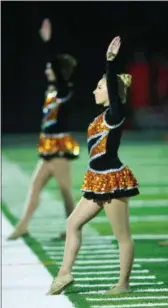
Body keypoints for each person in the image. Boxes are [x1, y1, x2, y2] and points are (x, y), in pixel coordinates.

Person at [47, 36, 139, 296]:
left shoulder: (115, 114)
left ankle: (123, 285)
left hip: (113, 180)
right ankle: (64, 274)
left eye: (99, 88)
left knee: (122, 236)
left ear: (110, 92)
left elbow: (112, 85)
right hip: (97, 180)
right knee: (72, 224)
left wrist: (110, 63)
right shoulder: (101, 116)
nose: (94, 91)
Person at [8, 19, 80, 241]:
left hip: (59, 147)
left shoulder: (64, 89)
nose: (47, 69)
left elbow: (56, 65)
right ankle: (23, 225)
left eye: (52, 67)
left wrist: (48, 44)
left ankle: (74, 230)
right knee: (35, 186)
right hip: (48, 145)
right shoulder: (51, 89)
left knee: (66, 192)